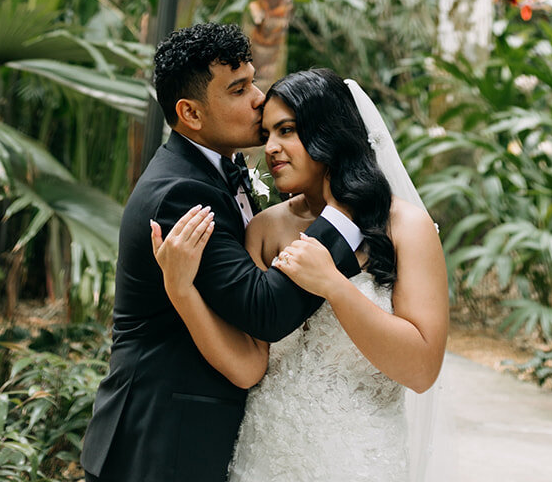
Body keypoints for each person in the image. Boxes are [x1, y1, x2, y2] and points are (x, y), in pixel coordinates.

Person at [81, 26, 366, 482]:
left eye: (254, 80)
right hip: (161, 444)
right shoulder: (181, 193)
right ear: (190, 112)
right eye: (238, 89)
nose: (259, 98)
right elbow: (266, 310)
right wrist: (348, 212)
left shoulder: (219, 169)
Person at [151, 68, 448, 482]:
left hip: (358, 459)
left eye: (287, 130)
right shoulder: (265, 229)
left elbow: (421, 371)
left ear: (330, 133)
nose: (271, 147)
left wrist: (334, 286)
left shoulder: (405, 227)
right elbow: (250, 367)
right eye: (268, 133)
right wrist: (181, 290)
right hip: (265, 456)